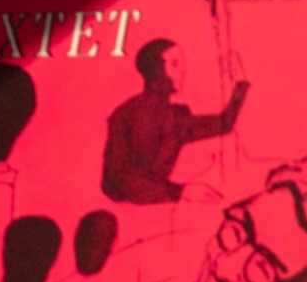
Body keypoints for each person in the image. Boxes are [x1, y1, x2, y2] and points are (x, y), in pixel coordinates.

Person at [101, 35, 249, 203]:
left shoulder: (177, 117)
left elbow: (225, 124)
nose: (183, 71)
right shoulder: (125, 115)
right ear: (156, 70)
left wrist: (241, 84)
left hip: (165, 207)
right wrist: (179, 192)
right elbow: (114, 181)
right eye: (175, 64)